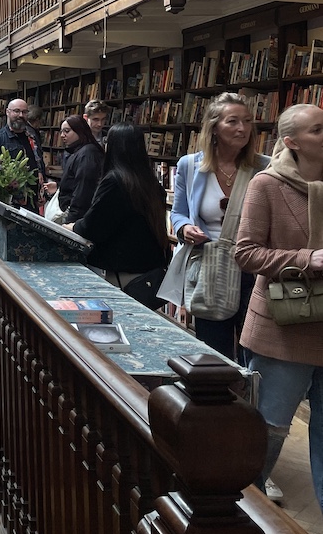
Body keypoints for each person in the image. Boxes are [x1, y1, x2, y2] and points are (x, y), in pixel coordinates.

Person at [235, 104, 323, 511]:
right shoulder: (266, 184)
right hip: (285, 329)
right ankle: (245, 512)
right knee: (270, 428)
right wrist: (308, 260)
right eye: (318, 130)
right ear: (292, 142)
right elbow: (247, 253)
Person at [167, 92, 268, 361]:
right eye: (232, 121)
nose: (242, 128)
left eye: (247, 121)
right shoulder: (190, 166)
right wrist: (184, 228)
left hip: (254, 271)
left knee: (255, 352)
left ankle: (252, 401)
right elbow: (178, 213)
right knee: (214, 352)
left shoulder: (265, 168)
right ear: (214, 128)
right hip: (210, 269)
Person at [70, 123, 169, 291]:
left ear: (113, 146)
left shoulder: (116, 182)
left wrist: (72, 226)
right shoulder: (151, 182)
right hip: (149, 270)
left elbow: (94, 227)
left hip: (121, 272)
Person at [0, 99, 44, 206]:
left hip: (33, 201)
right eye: (16, 111)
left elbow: (39, 164)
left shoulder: (32, 136)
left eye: (24, 112)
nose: (21, 115)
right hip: (11, 203)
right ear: (7, 112)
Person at [54, 115, 103, 223]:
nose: (62, 135)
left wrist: (71, 221)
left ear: (80, 131)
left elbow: (83, 191)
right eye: (61, 131)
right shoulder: (78, 152)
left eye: (67, 131)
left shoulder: (87, 154)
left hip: (77, 218)